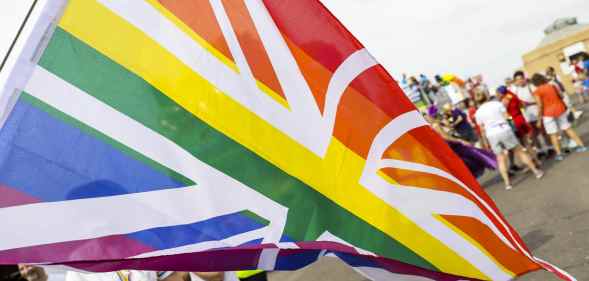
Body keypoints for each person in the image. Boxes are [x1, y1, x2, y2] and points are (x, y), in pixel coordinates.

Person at [475, 95, 544, 190]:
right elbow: (508, 117)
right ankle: (536, 172)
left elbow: (482, 129)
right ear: (486, 97)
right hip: (504, 129)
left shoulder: (478, 112)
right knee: (519, 151)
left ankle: (507, 183)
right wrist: (513, 127)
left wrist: (485, 142)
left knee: (500, 159)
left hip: (491, 134)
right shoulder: (497, 104)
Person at [425, 106, 496, 178]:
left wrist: (446, 124)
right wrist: (460, 140)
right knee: (470, 156)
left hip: (453, 145)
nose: (440, 114)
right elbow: (445, 137)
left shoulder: (440, 123)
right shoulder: (436, 125)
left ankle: (472, 177)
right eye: (438, 113)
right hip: (452, 145)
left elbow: (450, 128)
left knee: (470, 158)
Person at [531, 73, 587, 161]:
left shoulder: (537, 91)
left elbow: (540, 105)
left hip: (548, 113)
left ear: (534, 83)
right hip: (560, 109)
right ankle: (581, 145)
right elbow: (561, 96)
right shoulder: (552, 86)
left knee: (553, 134)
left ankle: (559, 154)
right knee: (568, 129)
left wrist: (538, 120)